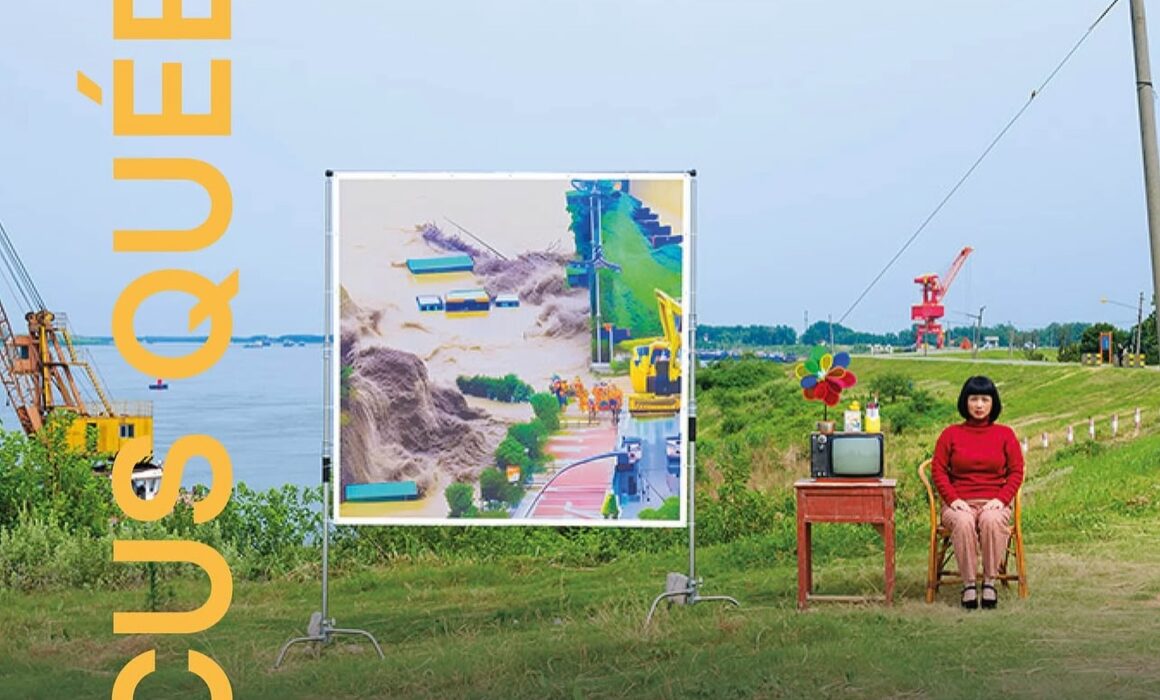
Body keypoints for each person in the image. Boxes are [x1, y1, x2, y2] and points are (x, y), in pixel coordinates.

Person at [931, 375, 1024, 610]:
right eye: (974, 399)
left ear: (993, 403)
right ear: (965, 401)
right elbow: (938, 471)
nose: (979, 405)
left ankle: (990, 582)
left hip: (994, 502)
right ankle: (970, 584)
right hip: (958, 504)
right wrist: (953, 500)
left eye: (985, 399)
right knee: (963, 522)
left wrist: (1002, 500)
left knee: (991, 520)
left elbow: (1016, 472)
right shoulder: (950, 434)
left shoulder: (1005, 434)